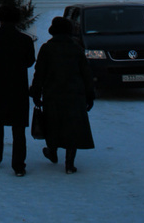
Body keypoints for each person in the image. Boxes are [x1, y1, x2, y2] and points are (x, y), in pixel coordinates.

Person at [30, 16, 95, 175]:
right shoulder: (77, 49)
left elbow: (40, 73)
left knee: (53, 124)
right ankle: (69, 164)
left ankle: (52, 152)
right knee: (72, 127)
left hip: (53, 93)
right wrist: (90, 94)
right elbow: (86, 74)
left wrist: (36, 92)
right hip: (75, 94)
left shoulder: (47, 48)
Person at [0, 4, 36, 176]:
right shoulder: (25, 40)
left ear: (0, 19)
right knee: (18, 129)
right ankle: (18, 165)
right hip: (17, 87)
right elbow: (30, 61)